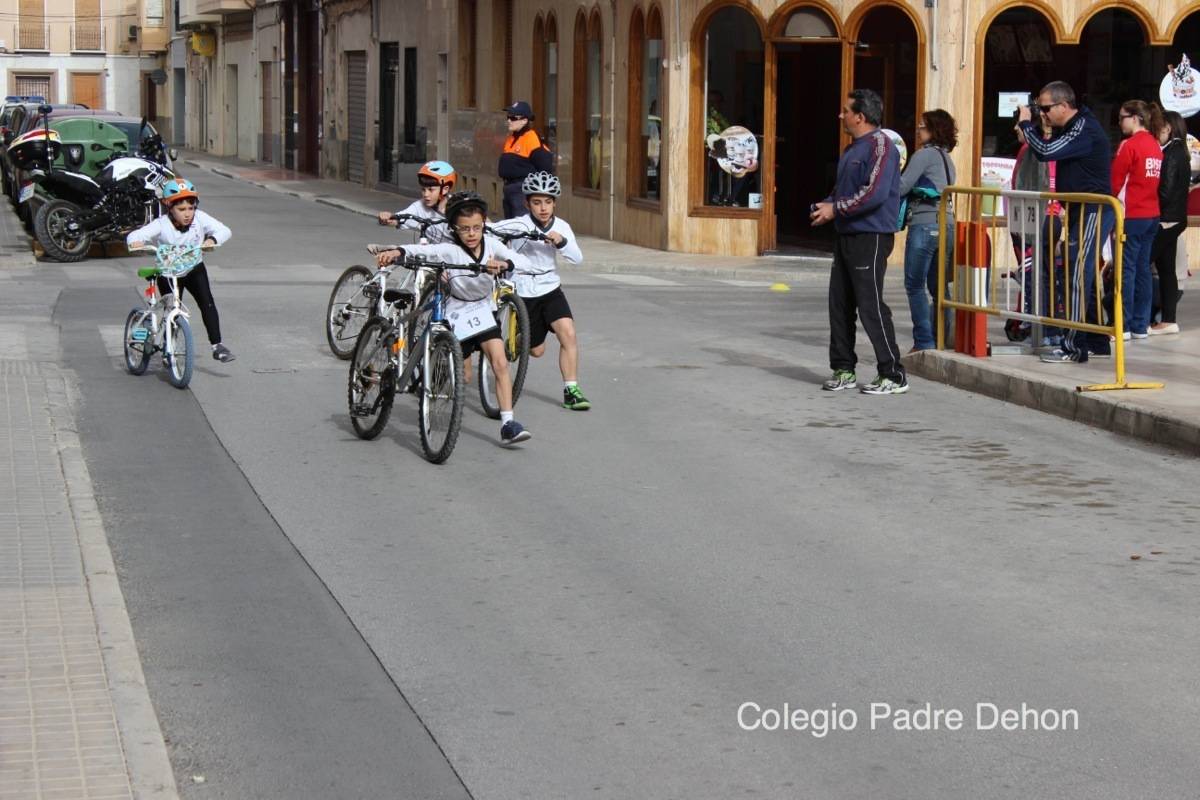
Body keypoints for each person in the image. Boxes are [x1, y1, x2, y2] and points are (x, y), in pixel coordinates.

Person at [374, 191, 533, 446]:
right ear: (454, 229)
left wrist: (505, 265)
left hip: (482, 311)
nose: (472, 234)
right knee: (463, 376)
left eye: (476, 228)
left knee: (500, 362)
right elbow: (422, 251)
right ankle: (428, 378)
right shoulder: (449, 251)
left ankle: (508, 423)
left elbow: (524, 262)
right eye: (465, 229)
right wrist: (397, 251)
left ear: (484, 225)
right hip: (455, 314)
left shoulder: (493, 246)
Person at [811, 88, 907, 395]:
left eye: (845, 110)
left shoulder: (882, 147)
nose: (841, 115)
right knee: (839, 304)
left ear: (860, 116)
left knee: (870, 305)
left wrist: (835, 208)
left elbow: (873, 193)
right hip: (846, 234)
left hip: (871, 235)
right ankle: (843, 368)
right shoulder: (852, 149)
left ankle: (892, 374)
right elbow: (843, 192)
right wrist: (824, 206)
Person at [1018, 81, 1114, 363]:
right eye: (1039, 109)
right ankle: (1096, 339)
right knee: (1083, 275)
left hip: (1092, 210)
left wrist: (1026, 125)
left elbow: (1046, 151)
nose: (1042, 114)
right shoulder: (1073, 126)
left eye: (1045, 108)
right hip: (1079, 210)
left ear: (1063, 106)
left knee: (1075, 274)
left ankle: (1074, 347)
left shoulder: (1082, 128)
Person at [492, 171, 590, 410]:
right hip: (524, 290)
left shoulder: (562, 226)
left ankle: (571, 391)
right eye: (537, 202)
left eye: (548, 202)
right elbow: (488, 231)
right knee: (536, 351)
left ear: (555, 203)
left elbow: (578, 259)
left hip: (550, 288)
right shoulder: (518, 224)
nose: (543, 208)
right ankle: (520, 338)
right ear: (527, 203)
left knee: (568, 333)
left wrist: (562, 242)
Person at [126, 178, 235, 363]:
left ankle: (217, 346)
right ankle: (169, 349)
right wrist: (135, 242)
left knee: (207, 303)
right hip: (168, 273)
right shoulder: (161, 224)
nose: (187, 214)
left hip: (194, 269)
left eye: (191, 208)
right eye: (181, 209)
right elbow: (135, 236)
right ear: (169, 207)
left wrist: (212, 240)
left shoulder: (200, 218)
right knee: (171, 310)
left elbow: (224, 230)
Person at [898, 108, 957, 352]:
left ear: (933, 129)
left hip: (925, 224)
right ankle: (943, 339)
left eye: (922, 126)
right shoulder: (947, 159)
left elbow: (901, 187)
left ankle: (924, 341)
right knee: (939, 288)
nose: (918, 130)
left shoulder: (923, 155)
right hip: (948, 224)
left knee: (915, 285)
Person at [1007, 111, 1065, 346]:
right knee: (1049, 274)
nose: (1015, 129)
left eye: (1020, 125)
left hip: (1033, 220)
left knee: (1033, 273)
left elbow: (1017, 185)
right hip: (1053, 217)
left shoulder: (1028, 151)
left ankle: (1035, 322)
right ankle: (1049, 324)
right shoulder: (1060, 148)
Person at [1111, 100, 1163, 340]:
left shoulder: (1129, 146)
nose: (1119, 122)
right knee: (1143, 270)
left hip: (1131, 214)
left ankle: (1123, 325)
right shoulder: (1155, 145)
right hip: (1152, 214)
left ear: (1135, 118)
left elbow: (1115, 182)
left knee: (1126, 271)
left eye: (1122, 117)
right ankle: (1141, 325)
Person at [1150, 110, 1190, 335]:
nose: (1156, 133)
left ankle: (1127, 318)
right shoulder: (1179, 151)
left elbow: (1166, 190)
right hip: (1175, 219)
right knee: (1166, 269)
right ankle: (1168, 320)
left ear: (1168, 128)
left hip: (1166, 219)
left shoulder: (1172, 154)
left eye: (1158, 128)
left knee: (1140, 263)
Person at [375, 160, 456, 242]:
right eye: (423, 189)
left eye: (431, 190)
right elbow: (398, 219)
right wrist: (387, 218)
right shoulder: (419, 207)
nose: (426, 194)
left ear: (445, 189)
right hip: (430, 251)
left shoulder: (458, 207)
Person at [498, 101, 554, 219]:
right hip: (509, 188)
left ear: (524, 120)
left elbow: (545, 168)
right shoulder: (511, 138)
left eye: (513, 118)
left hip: (522, 189)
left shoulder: (532, 138)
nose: (509, 120)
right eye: (508, 117)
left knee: (521, 224)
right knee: (511, 226)